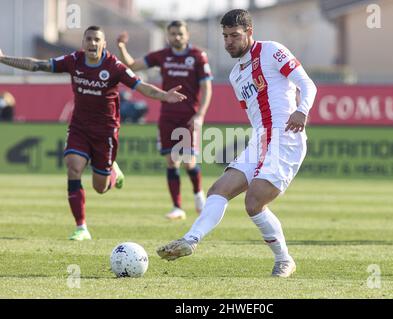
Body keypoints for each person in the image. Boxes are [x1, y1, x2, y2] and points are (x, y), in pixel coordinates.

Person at [156, 9, 317, 278]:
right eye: (225, 36)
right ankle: (189, 240)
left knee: (253, 203)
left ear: (249, 33)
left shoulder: (272, 51)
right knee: (218, 189)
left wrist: (302, 110)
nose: (229, 41)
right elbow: (254, 112)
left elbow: (307, 83)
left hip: (285, 137)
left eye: (235, 35)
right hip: (260, 139)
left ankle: (284, 259)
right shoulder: (234, 75)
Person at [0, 26, 186, 241]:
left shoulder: (114, 66)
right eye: (89, 39)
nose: (92, 43)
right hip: (79, 126)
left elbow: (141, 86)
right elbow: (37, 65)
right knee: (73, 166)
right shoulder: (73, 60)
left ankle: (112, 173)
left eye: (97, 39)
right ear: (83, 42)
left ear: (103, 44)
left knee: (100, 187)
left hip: (105, 131)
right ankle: (81, 227)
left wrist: (164, 96)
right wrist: (4, 59)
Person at [117, 20, 213, 221]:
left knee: (188, 161)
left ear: (187, 35)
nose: (176, 37)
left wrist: (200, 114)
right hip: (168, 116)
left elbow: (206, 88)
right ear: (168, 36)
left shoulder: (197, 56)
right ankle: (177, 207)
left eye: (180, 33)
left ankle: (198, 195)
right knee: (171, 161)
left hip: (189, 117)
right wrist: (121, 47)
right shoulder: (162, 55)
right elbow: (133, 65)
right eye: (173, 34)